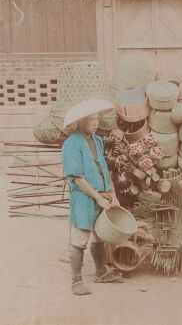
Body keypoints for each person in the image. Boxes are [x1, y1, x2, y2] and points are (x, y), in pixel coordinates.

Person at [62, 100, 123, 295]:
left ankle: (101, 272)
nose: (96, 123)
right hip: (84, 198)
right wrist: (97, 197)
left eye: (97, 119)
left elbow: (104, 169)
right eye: (91, 120)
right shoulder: (71, 143)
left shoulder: (97, 140)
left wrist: (112, 193)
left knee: (98, 237)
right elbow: (77, 177)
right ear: (79, 122)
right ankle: (76, 280)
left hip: (103, 194)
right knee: (79, 239)